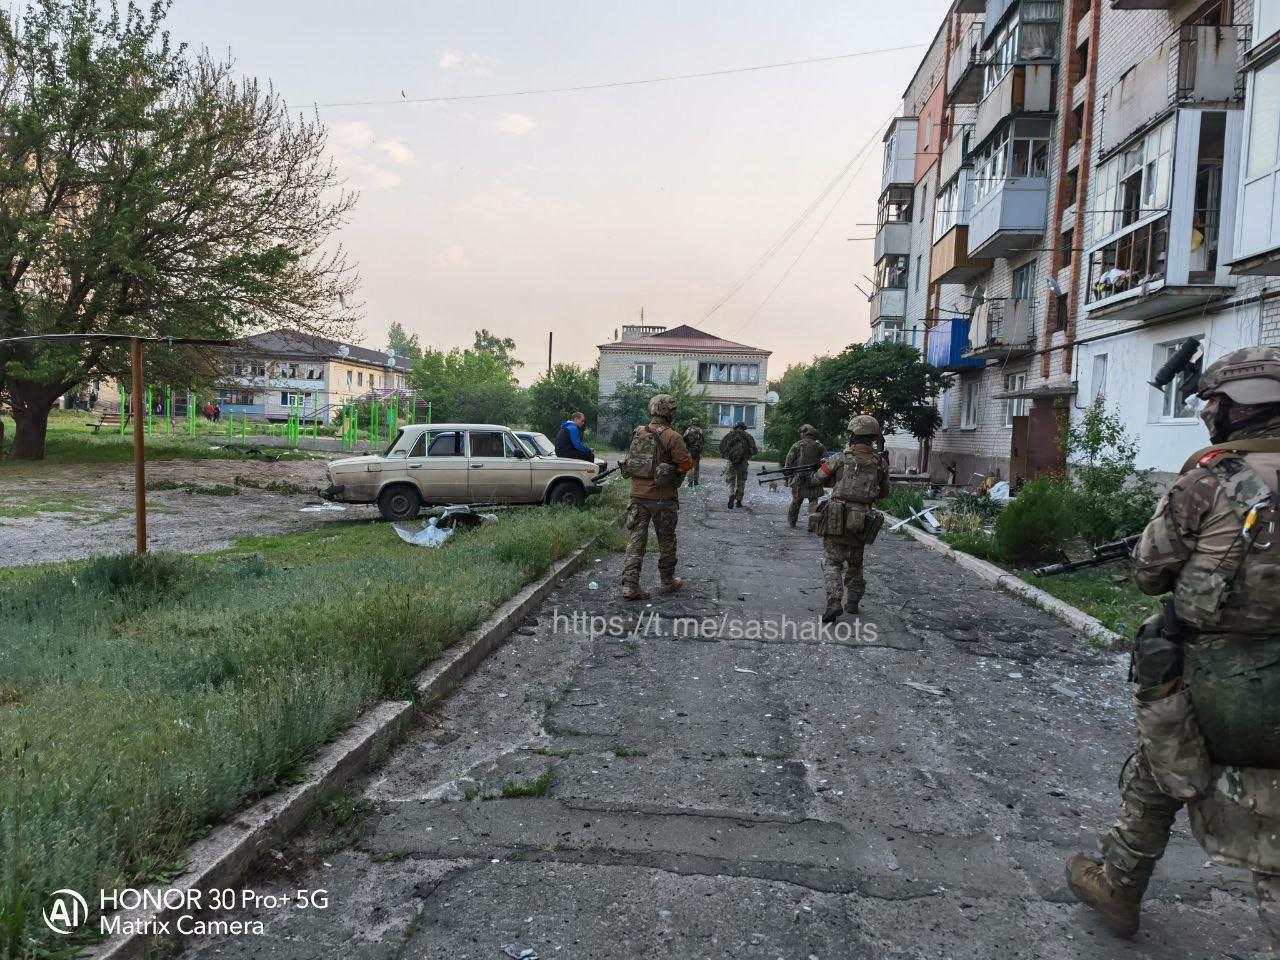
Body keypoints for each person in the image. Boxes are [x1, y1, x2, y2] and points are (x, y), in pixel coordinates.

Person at [1067, 347, 1280, 947]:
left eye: (1214, 402)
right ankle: (1118, 889)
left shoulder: (1210, 480)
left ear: (1237, 411)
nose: (1208, 411)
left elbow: (1150, 571)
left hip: (1219, 677)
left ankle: (1120, 888)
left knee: (1158, 769)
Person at [813, 415, 889, 622]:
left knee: (832, 562)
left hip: (836, 517)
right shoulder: (879, 463)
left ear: (853, 434)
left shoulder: (839, 458)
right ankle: (853, 602)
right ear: (873, 437)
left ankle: (834, 601)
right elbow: (884, 493)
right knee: (855, 563)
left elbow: (817, 478)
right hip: (862, 520)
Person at [619, 394, 694, 601]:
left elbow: (630, 461)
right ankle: (667, 582)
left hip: (637, 497)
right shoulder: (673, 437)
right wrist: (672, 469)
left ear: (651, 410)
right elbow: (686, 464)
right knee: (667, 541)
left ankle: (630, 587)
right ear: (670, 412)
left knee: (635, 542)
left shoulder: (639, 433)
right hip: (663, 498)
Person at [784, 424, 825, 528]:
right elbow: (826, 462)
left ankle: (792, 523)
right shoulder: (819, 446)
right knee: (813, 502)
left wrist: (786, 478)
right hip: (814, 478)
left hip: (799, 478)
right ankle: (812, 525)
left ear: (803, 433)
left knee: (796, 501)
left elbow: (788, 462)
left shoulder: (797, 445)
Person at [719, 421, 758, 509]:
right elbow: (755, 451)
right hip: (743, 462)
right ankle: (739, 501)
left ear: (735, 427)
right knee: (741, 481)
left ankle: (731, 494)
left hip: (731, 461)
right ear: (744, 427)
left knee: (730, 480)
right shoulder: (748, 436)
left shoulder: (729, 435)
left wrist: (728, 455)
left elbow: (721, 447)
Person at [682, 418, 705, 486]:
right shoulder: (700, 430)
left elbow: (683, 439)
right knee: (696, 466)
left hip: (689, 450)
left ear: (692, 422)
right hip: (697, 451)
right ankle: (696, 481)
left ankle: (690, 482)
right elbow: (702, 441)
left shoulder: (688, 430)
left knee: (690, 467)